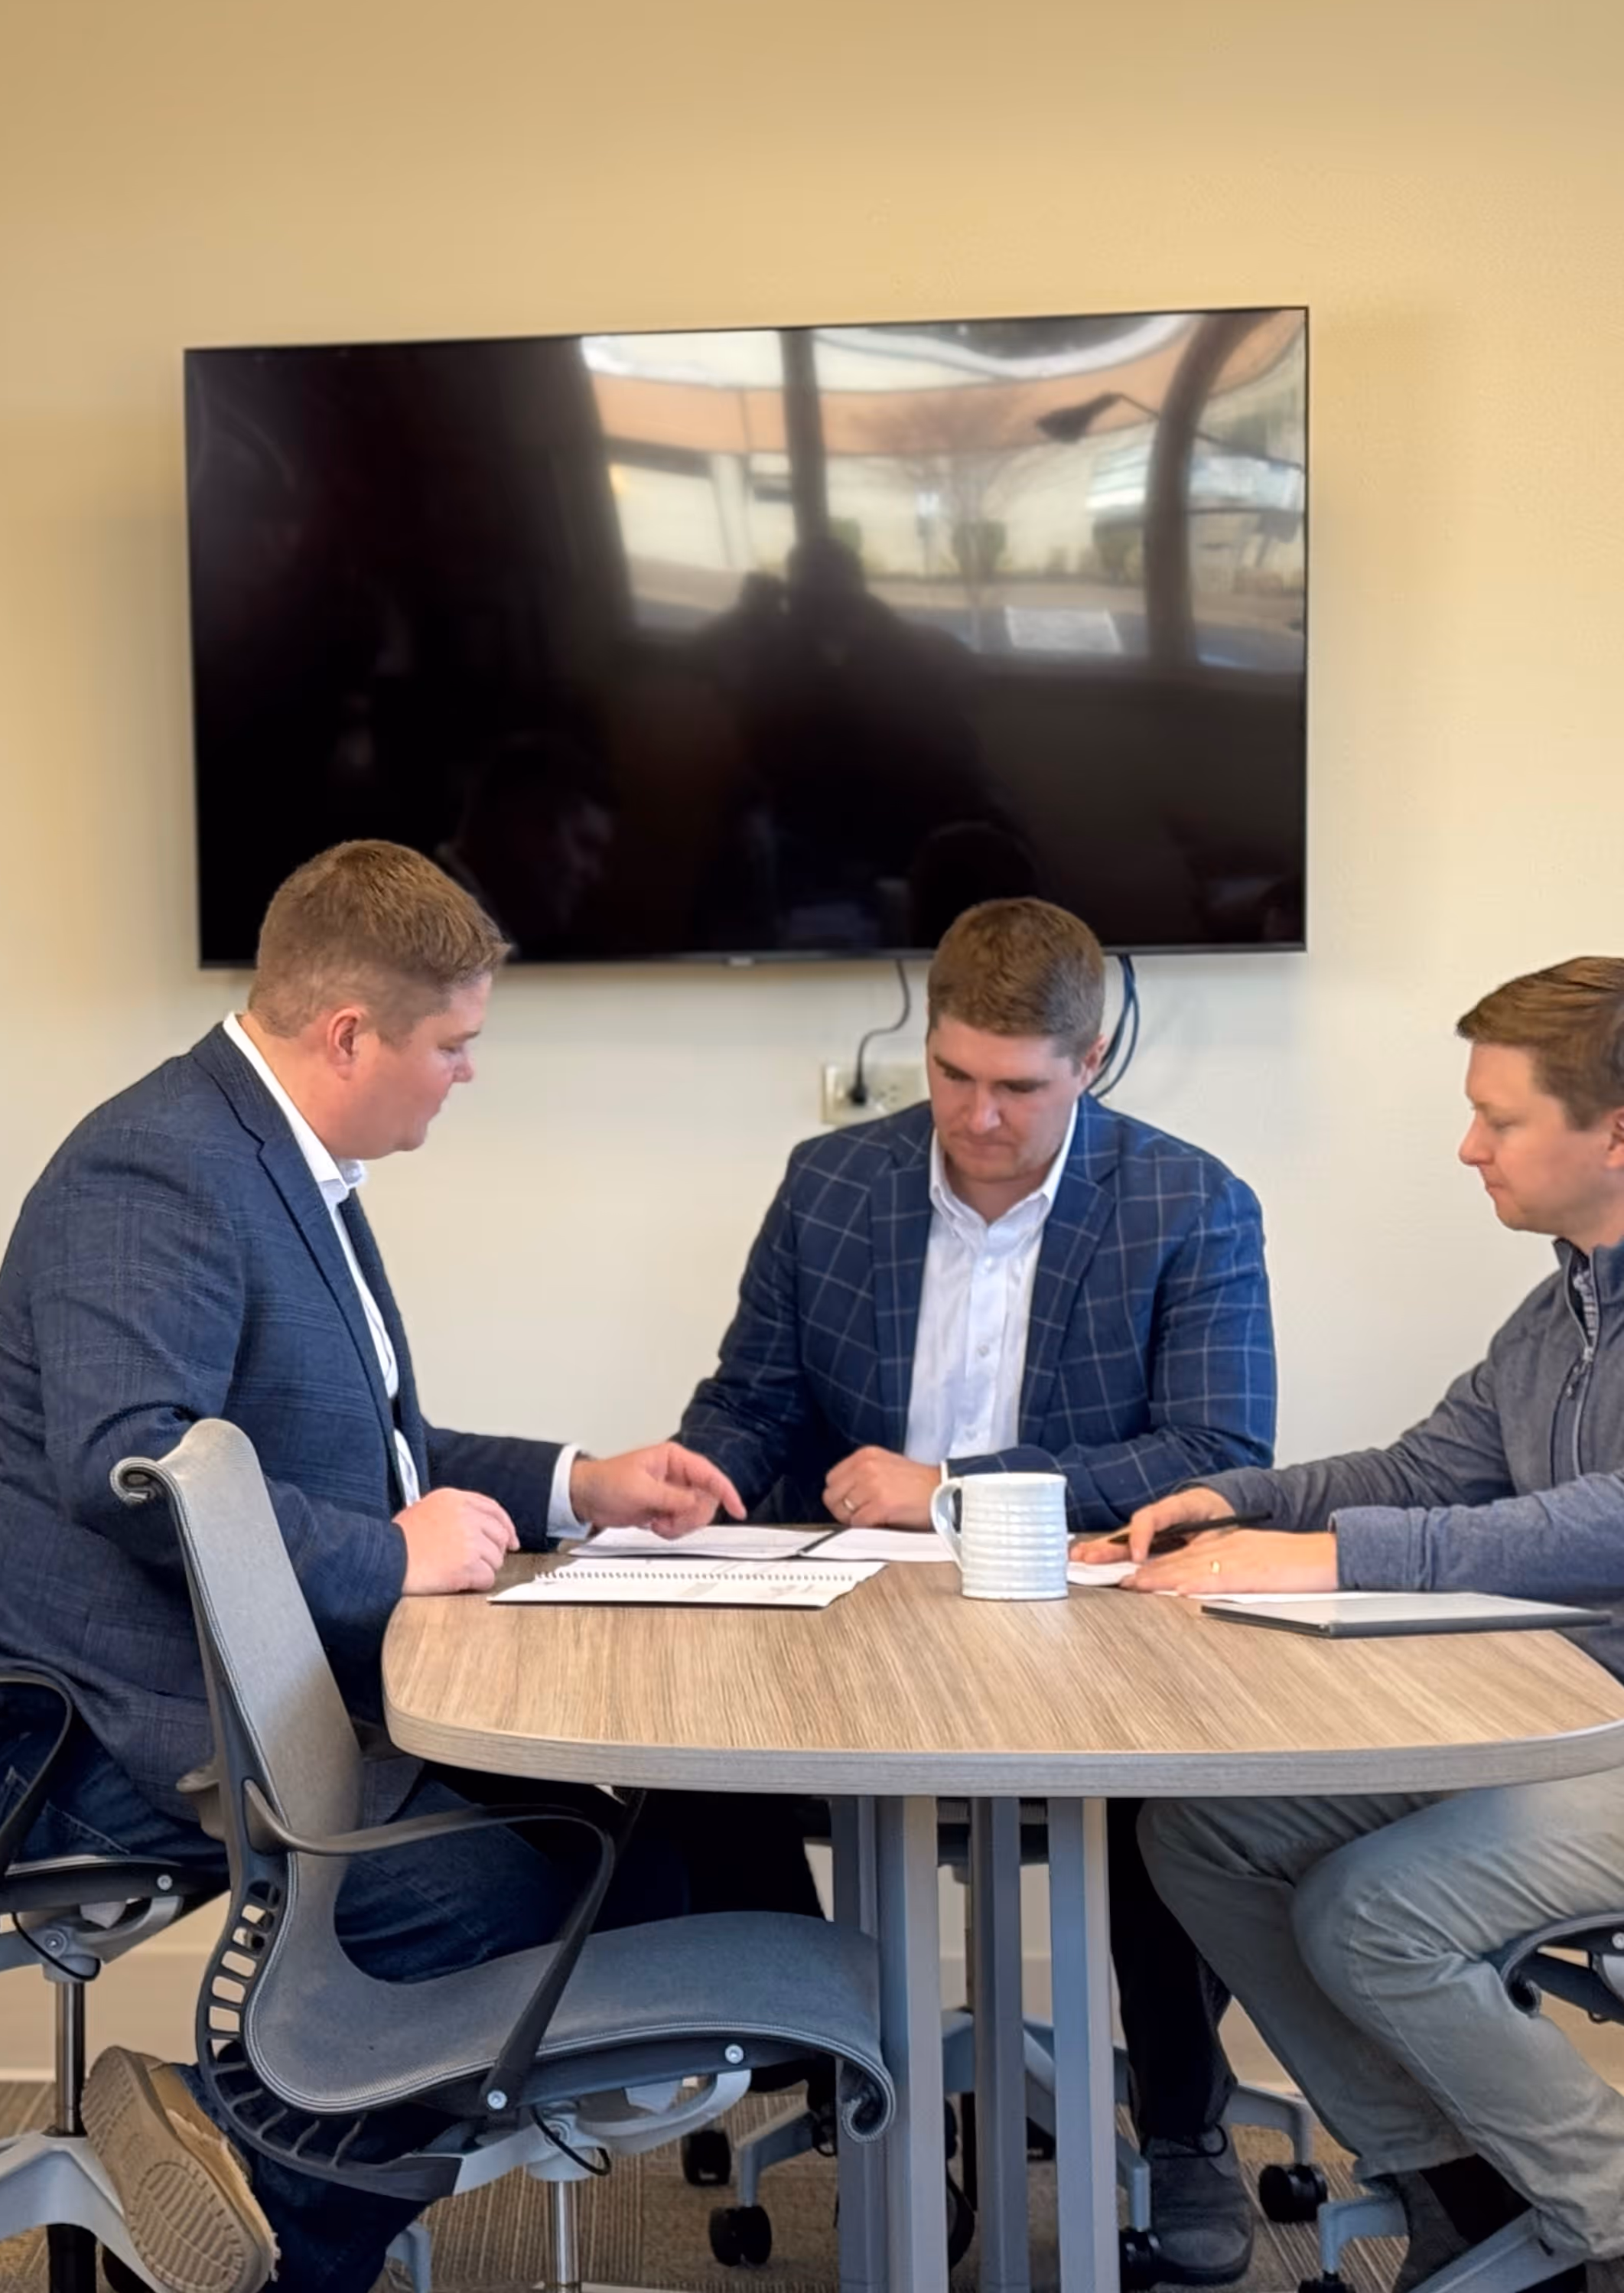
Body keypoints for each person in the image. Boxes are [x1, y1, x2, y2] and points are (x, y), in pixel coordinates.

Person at [0, 839, 746, 2293]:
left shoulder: (288, 1163)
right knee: (509, 1894)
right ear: (351, 1031)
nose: (467, 1075)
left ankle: (246, 2169)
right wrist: (387, 1552)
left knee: (638, 1841)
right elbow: (131, 1468)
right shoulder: (157, 1166)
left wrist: (580, 1482)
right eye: (455, 1044)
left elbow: (376, 1444)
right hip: (96, 1726)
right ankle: (254, 2202)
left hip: (236, 1684)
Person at [666, 896, 1278, 2284]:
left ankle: (1182, 2127)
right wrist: (698, 1476)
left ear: (1093, 1058)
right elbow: (755, 1401)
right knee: (679, 1757)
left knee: (1172, 1793)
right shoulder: (832, 1183)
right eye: (953, 1076)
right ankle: (850, 2095)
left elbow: (1218, 1455)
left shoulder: (1189, 1202)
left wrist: (951, 1484)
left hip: (1093, 1627)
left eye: (1017, 1087)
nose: (978, 1116)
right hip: (853, 1624)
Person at [1121, 959, 1624, 2291]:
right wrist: (1236, 1498)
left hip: (1607, 1733)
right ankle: (1449, 2180)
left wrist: (1330, 1552)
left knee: (1372, 1911)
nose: (1469, 1149)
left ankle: (1607, 2215)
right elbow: (1423, 1469)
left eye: (1499, 1121)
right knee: (1206, 1828)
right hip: (1554, 1717)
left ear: (1616, 1131)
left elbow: (1611, 1520)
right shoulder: (1564, 1301)